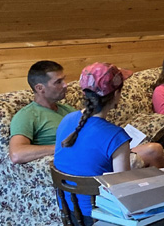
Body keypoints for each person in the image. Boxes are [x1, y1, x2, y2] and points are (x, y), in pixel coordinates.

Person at [9, 61, 164, 168]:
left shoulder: (67, 112)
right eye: (58, 82)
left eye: (64, 80)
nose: (65, 85)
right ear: (40, 88)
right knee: (154, 152)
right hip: (86, 161)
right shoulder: (27, 115)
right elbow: (16, 154)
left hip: (96, 153)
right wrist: (62, 146)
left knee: (153, 148)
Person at [53, 62, 136, 218]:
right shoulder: (117, 137)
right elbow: (123, 193)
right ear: (117, 95)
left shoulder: (66, 120)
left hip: (71, 216)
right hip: (101, 219)